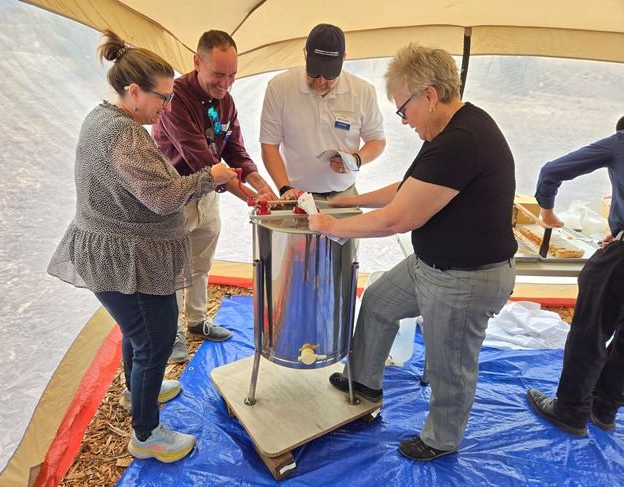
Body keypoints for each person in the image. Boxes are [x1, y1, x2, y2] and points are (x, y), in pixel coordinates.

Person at [308, 44, 517, 461]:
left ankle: (442, 438)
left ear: (429, 95)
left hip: (467, 276)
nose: (403, 121)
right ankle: (364, 381)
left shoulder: (463, 140)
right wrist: (347, 201)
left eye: (403, 110)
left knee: (450, 362)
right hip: (432, 264)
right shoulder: (444, 131)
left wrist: (331, 227)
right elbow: (409, 188)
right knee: (380, 302)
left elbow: (396, 219)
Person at [47, 30, 236, 463]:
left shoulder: (102, 118)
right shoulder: (126, 134)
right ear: (134, 91)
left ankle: (136, 393)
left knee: (138, 332)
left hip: (114, 252)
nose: (166, 107)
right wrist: (213, 177)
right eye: (162, 98)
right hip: (125, 257)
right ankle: (146, 434)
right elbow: (164, 196)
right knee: (155, 337)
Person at [152, 30, 276, 362]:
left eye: (232, 75)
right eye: (218, 74)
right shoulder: (174, 98)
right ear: (197, 62)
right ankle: (171, 334)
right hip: (177, 194)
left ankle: (195, 320)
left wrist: (261, 184)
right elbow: (202, 162)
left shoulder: (226, 102)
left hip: (210, 196)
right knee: (173, 270)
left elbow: (236, 152)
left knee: (200, 264)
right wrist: (252, 199)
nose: (226, 83)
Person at [526, 115, 624, 436]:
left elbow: (551, 171)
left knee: (589, 331)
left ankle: (571, 410)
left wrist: (547, 209)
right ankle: (605, 409)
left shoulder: (620, 142)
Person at [260, 23, 386, 203]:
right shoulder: (279, 87)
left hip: (344, 197)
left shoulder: (363, 92)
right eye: (314, 72)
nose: (320, 81)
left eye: (329, 75)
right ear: (305, 54)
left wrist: (355, 160)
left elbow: (378, 141)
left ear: (343, 59)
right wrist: (285, 188)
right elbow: (269, 145)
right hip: (296, 197)